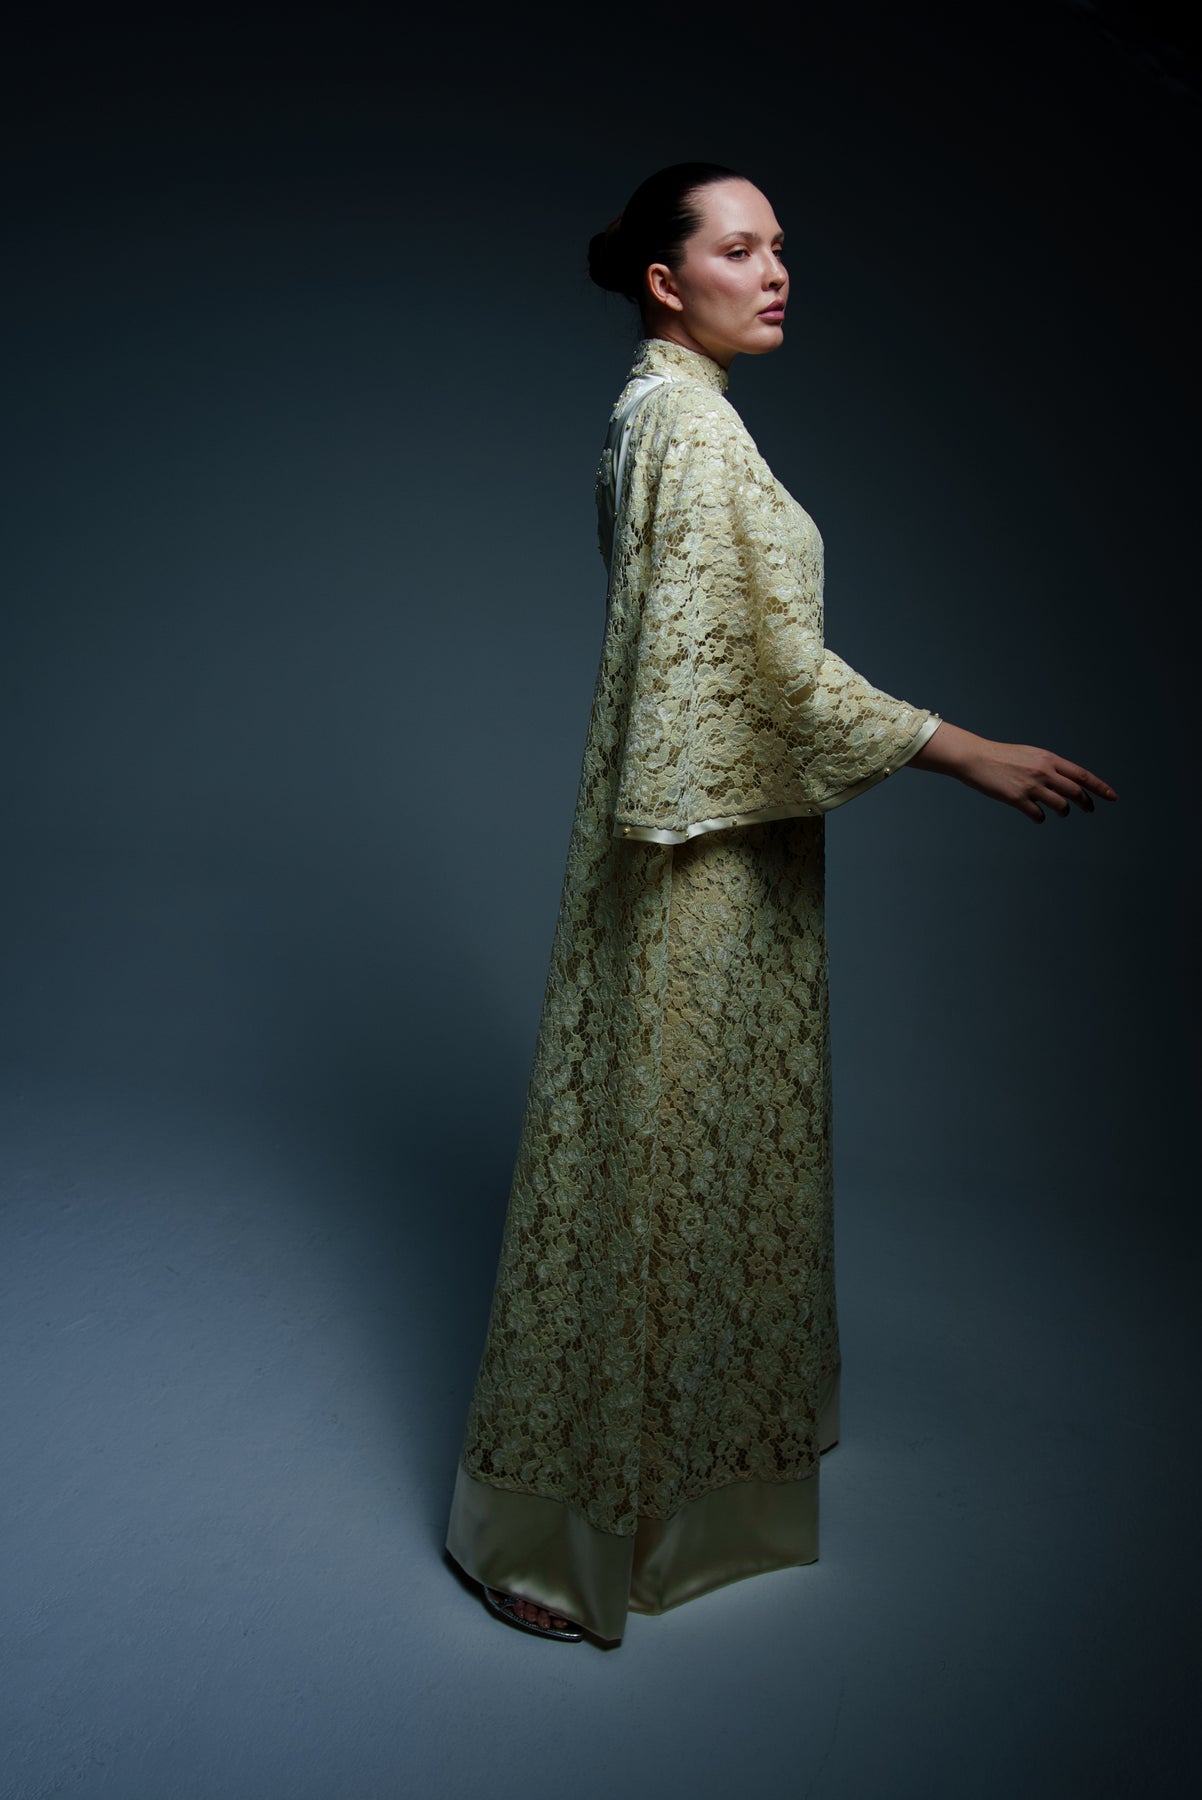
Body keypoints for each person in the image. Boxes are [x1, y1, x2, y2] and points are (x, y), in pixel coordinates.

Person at [443, 162, 1116, 1646]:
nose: (775, 271)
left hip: (726, 834)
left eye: (779, 247)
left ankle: (701, 1468)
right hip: (694, 852)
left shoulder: (676, 414)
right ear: (664, 281)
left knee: (703, 1158)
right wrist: (963, 749)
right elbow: (753, 668)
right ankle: (558, 1540)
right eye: (740, 249)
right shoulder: (683, 426)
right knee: (650, 1164)